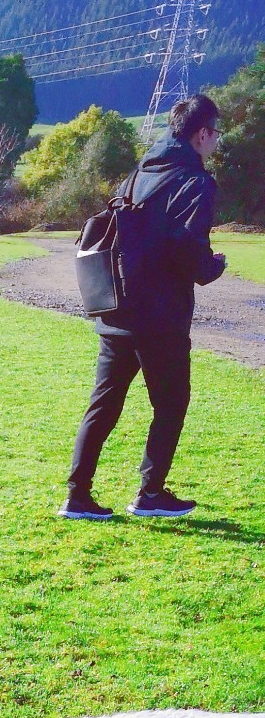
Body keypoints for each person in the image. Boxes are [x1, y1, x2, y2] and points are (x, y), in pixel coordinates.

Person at [62, 94, 228, 521]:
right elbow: (187, 249)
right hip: (160, 316)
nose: (216, 142)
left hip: (116, 309)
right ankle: (150, 494)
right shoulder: (196, 182)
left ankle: (77, 496)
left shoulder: (139, 174)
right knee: (171, 403)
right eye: (215, 134)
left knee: (103, 405)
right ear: (202, 133)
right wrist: (212, 267)